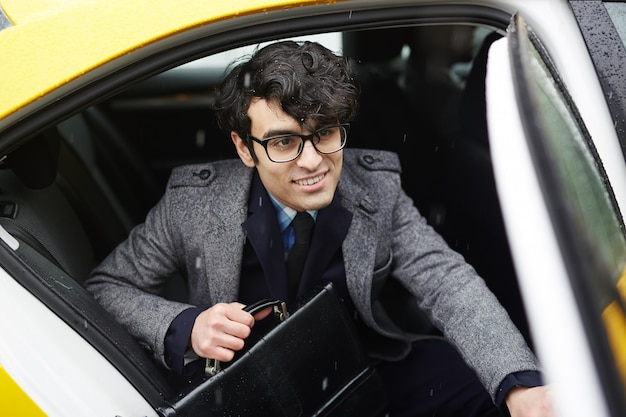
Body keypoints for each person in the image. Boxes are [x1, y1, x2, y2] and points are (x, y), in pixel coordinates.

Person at [85, 40, 554, 417]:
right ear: (244, 148)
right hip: (245, 387)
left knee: (481, 389)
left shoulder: (376, 189)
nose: (313, 163)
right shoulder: (193, 203)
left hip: (362, 364)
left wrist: (520, 383)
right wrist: (187, 326)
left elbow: (448, 282)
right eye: (284, 141)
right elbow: (107, 286)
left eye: (325, 133)